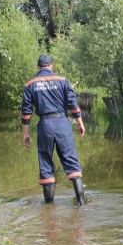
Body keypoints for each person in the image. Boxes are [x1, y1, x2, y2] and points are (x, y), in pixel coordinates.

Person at [21, 55, 86, 206]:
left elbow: (26, 112)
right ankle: (82, 204)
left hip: (45, 124)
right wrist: (80, 123)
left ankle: (49, 207)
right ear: (52, 66)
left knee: (45, 161)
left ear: (38, 67)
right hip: (62, 122)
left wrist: (25, 133)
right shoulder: (63, 80)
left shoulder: (30, 84)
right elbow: (73, 104)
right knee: (71, 162)